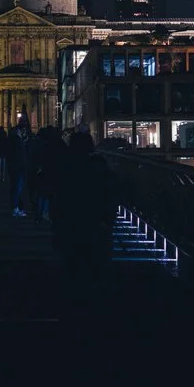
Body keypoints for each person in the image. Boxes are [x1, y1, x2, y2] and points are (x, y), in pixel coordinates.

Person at [53, 131, 119, 322]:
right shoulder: (100, 167)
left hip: (70, 226)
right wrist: (107, 219)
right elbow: (112, 192)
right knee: (97, 270)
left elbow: (59, 197)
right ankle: (99, 315)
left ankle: (71, 312)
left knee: (71, 269)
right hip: (96, 226)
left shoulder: (66, 168)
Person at [6, 116, 31, 217]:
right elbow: (19, 154)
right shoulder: (16, 140)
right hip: (18, 167)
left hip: (16, 167)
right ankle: (15, 208)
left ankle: (16, 207)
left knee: (17, 188)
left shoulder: (15, 139)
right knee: (17, 188)